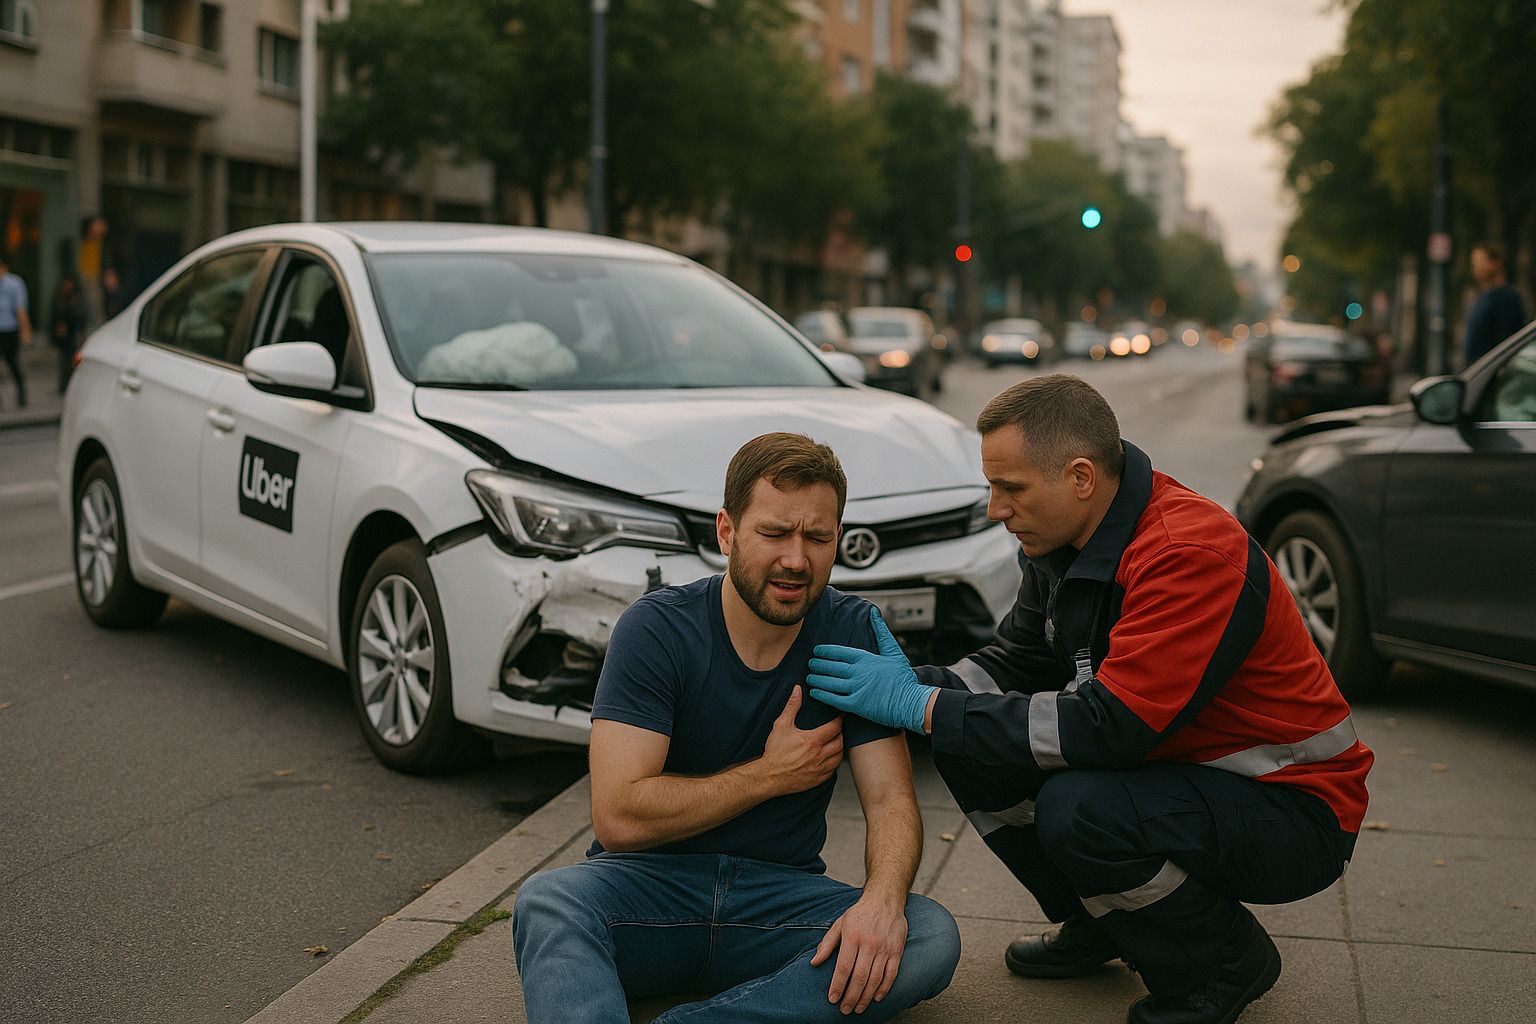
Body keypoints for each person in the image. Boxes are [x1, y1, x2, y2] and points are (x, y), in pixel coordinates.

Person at [808, 375, 1373, 1024]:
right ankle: (1109, 921)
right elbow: (1012, 664)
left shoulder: (1187, 554)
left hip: (1295, 809)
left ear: (1080, 477)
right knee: (971, 747)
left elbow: (1111, 729)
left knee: (1080, 809)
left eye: (1010, 488)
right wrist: (908, 684)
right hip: (1190, 772)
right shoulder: (1063, 539)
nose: (996, 509)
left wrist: (922, 706)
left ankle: (1222, 962)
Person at [511, 433, 961, 1024]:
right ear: (727, 531)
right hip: (646, 894)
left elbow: (891, 798)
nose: (796, 560)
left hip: (777, 904)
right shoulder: (656, 631)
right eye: (774, 534)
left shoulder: (853, 630)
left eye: (818, 538)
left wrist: (881, 901)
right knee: (549, 902)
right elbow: (619, 818)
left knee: (929, 933)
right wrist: (770, 775)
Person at [1464, 242, 1527, 366]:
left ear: (1495, 263)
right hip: (1478, 370)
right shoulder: (1482, 297)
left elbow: (1507, 343)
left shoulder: (1507, 299)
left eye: (1481, 262)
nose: (1476, 268)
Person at [0, 252, 32, 408]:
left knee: (13, 364)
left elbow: (21, 309)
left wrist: (25, 330)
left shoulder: (14, 283)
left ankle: (22, 396)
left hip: (9, 329)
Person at [50, 273, 86, 393]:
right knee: (63, 360)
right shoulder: (59, 297)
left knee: (71, 360)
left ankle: (70, 383)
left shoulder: (75, 298)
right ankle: (64, 384)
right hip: (63, 335)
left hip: (72, 333)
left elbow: (80, 317)